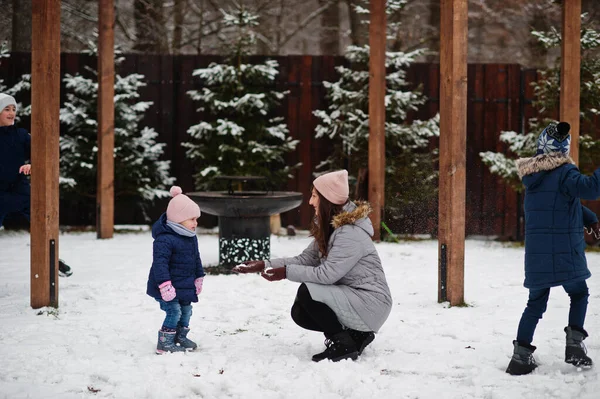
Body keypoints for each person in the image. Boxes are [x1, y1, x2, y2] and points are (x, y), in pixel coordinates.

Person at [234, 170, 392, 362]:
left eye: (315, 196)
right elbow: (304, 260)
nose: (310, 201)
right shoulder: (333, 228)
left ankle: (343, 345)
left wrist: (285, 273)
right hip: (356, 297)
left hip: (371, 303)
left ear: (327, 199)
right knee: (300, 312)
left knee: (308, 293)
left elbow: (327, 275)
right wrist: (263, 264)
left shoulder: (350, 233)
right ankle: (356, 337)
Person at [506, 121, 600, 375]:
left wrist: (589, 217)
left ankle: (520, 358)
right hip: (565, 253)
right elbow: (593, 188)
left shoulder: (533, 179)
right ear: (563, 150)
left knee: (535, 303)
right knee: (579, 294)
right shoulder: (566, 174)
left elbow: (559, 205)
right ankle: (574, 347)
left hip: (537, 257)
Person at [0, 93, 72, 277]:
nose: (11, 113)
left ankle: (53, 261)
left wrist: (32, 163)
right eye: (6, 109)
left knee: (41, 220)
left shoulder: (21, 135)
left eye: (13, 109)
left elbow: (41, 152)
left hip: (19, 189)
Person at [146, 186, 205, 354]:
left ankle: (179, 336)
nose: (196, 223)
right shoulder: (164, 239)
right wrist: (165, 286)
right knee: (174, 311)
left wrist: (198, 277)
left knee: (186, 310)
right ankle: (164, 342)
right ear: (179, 219)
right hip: (166, 286)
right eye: (192, 219)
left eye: (196, 219)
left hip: (184, 284)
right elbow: (160, 264)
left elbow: (196, 258)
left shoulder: (190, 237)